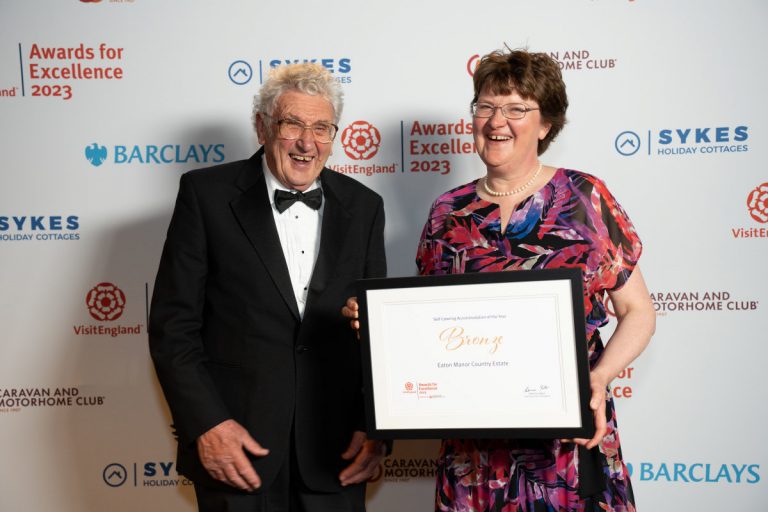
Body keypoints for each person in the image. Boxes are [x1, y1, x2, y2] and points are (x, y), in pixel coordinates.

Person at [345, 48, 655, 511]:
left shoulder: (586, 196)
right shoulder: (447, 212)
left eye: (516, 109)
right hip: (472, 452)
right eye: (486, 106)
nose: (497, 121)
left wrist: (600, 376)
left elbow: (638, 312)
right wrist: (374, 323)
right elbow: (428, 329)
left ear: (545, 124)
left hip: (564, 444)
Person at [149, 62, 387, 512]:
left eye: (321, 128)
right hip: (236, 451)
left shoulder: (365, 207)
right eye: (292, 124)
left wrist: (374, 428)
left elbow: (377, 333)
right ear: (262, 127)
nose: (306, 142)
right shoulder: (206, 195)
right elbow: (172, 327)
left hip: (336, 456)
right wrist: (208, 426)